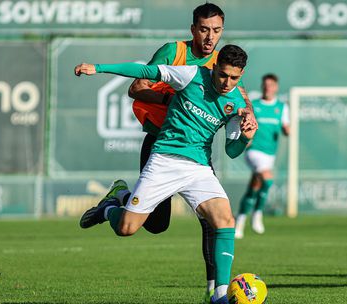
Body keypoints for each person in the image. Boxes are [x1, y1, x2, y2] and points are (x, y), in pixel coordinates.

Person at [88, 4, 256, 302]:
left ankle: (216, 293)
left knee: (221, 220)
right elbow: (140, 80)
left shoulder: (233, 88)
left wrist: (246, 134)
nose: (210, 36)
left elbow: (234, 143)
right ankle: (114, 205)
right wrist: (99, 68)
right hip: (163, 152)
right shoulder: (187, 68)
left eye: (216, 30)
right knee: (142, 226)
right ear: (194, 29)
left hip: (198, 165)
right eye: (204, 29)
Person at [234, 74, 289, 239]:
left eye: (271, 85)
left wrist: (287, 130)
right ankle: (257, 213)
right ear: (262, 86)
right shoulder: (255, 106)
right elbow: (242, 122)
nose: (268, 88)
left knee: (255, 187)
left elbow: (287, 127)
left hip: (269, 154)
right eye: (265, 85)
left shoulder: (282, 107)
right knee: (267, 178)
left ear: (276, 87)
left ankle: (241, 219)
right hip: (254, 151)